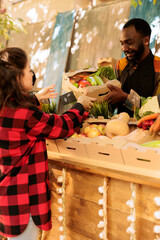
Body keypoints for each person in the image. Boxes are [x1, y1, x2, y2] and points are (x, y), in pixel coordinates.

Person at [0, 47, 96, 239]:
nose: (32, 74)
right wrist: (80, 106)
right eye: (28, 70)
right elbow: (60, 126)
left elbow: (17, 107)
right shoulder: (26, 114)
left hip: (8, 197)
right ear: (17, 77)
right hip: (24, 202)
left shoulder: (6, 104)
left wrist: (36, 97)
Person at [105, 18, 160, 116]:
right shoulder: (121, 65)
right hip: (120, 125)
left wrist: (126, 98)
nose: (124, 49)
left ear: (146, 41)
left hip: (147, 127)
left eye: (129, 43)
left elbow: (155, 107)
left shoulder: (158, 67)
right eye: (122, 43)